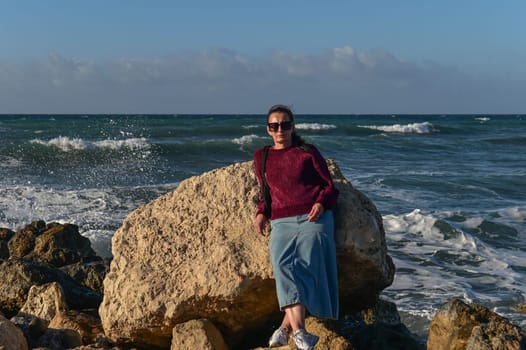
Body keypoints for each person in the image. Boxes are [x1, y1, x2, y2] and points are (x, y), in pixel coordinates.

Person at [253, 104, 339, 350]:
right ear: (268, 130)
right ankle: (300, 332)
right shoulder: (262, 156)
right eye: (274, 126)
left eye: (285, 124)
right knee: (283, 267)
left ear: (293, 126)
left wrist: (322, 204)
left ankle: (286, 329)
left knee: (302, 268)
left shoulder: (307, 152)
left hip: (314, 219)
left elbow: (329, 186)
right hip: (281, 220)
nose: (280, 130)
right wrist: (261, 214)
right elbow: (265, 193)